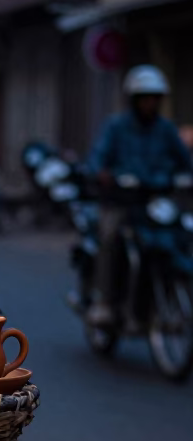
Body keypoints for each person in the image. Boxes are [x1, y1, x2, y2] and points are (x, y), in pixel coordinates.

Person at [87, 66, 192, 323]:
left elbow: (184, 161)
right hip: (122, 202)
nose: (150, 103)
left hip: (156, 202)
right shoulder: (116, 126)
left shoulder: (166, 129)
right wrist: (102, 174)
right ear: (134, 100)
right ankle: (104, 301)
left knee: (182, 233)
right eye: (145, 98)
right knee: (110, 237)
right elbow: (97, 159)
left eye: (155, 98)